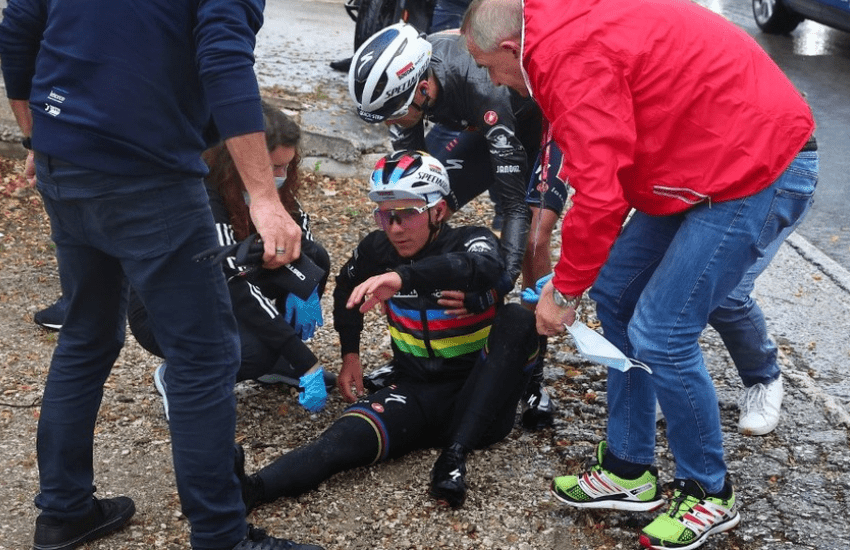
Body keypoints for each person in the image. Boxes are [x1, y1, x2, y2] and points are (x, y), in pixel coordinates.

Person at [461, 1, 818, 549]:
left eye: (487, 66)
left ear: (513, 48)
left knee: (663, 331)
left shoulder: (567, 58)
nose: (491, 79)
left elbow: (601, 195)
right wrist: (576, 275)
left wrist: (565, 288)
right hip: (699, 157)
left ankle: (708, 492)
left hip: (761, 162)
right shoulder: (551, 30)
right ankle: (630, 469)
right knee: (618, 295)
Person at [0, 2, 324, 549]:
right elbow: (224, 59)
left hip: (65, 158)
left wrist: (37, 136)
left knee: (86, 333)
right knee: (203, 356)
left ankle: (63, 512)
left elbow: (18, 29)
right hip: (145, 174)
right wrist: (264, 197)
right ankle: (221, 537)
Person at [235, 151, 541, 511]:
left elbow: (489, 267)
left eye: (408, 213)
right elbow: (346, 290)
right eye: (385, 215)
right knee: (338, 443)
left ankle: (455, 454)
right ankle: (250, 489)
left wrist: (403, 277)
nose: (395, 227)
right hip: (418, 392)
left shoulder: (470, 240)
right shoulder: (377, 250)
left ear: (438, 212)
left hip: (481, 396)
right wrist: (351, 355)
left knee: (519, 321)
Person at [349, 22, 565, 428]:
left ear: (422, 89)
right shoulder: (414, 82)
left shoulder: (482, 88)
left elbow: (514, 206)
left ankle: (533, 376)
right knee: (428, 208)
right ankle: (425, 357)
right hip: (488, 128)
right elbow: (412, 186)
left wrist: (494, 290)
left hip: (541, 132)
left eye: (395, 115)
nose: (391, 125)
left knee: (534, 235)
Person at [127, 101, 333, 419]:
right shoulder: (203, 195)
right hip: (165, 310)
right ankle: (183, 378)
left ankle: (276, 363)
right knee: (254, 350)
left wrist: (302, 285)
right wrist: (306, 360)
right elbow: (235, 285)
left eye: (287, 167)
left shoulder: (271, 185)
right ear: (242, 160)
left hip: (221, 291)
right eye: (273, 168)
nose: (281, 176)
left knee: (314, 258)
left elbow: (301, 238)